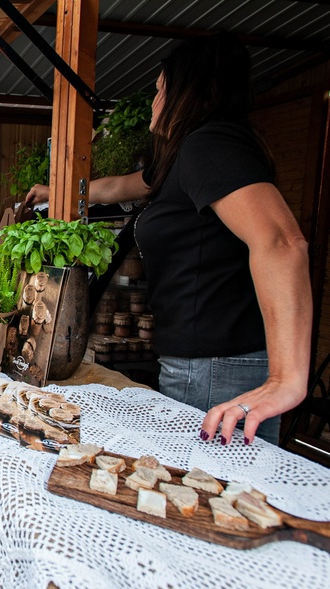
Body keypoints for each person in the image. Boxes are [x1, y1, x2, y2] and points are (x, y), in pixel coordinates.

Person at [25, 33, 312, 446]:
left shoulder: (209, 146)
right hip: (197, 362)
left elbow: (283, 243)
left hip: (218, 365)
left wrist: (287, 379)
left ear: (187, 92)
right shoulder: (181, 159)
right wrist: (54, 192)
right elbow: (118, 188)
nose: (154, 102)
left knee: (207, 496)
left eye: (160, 90)